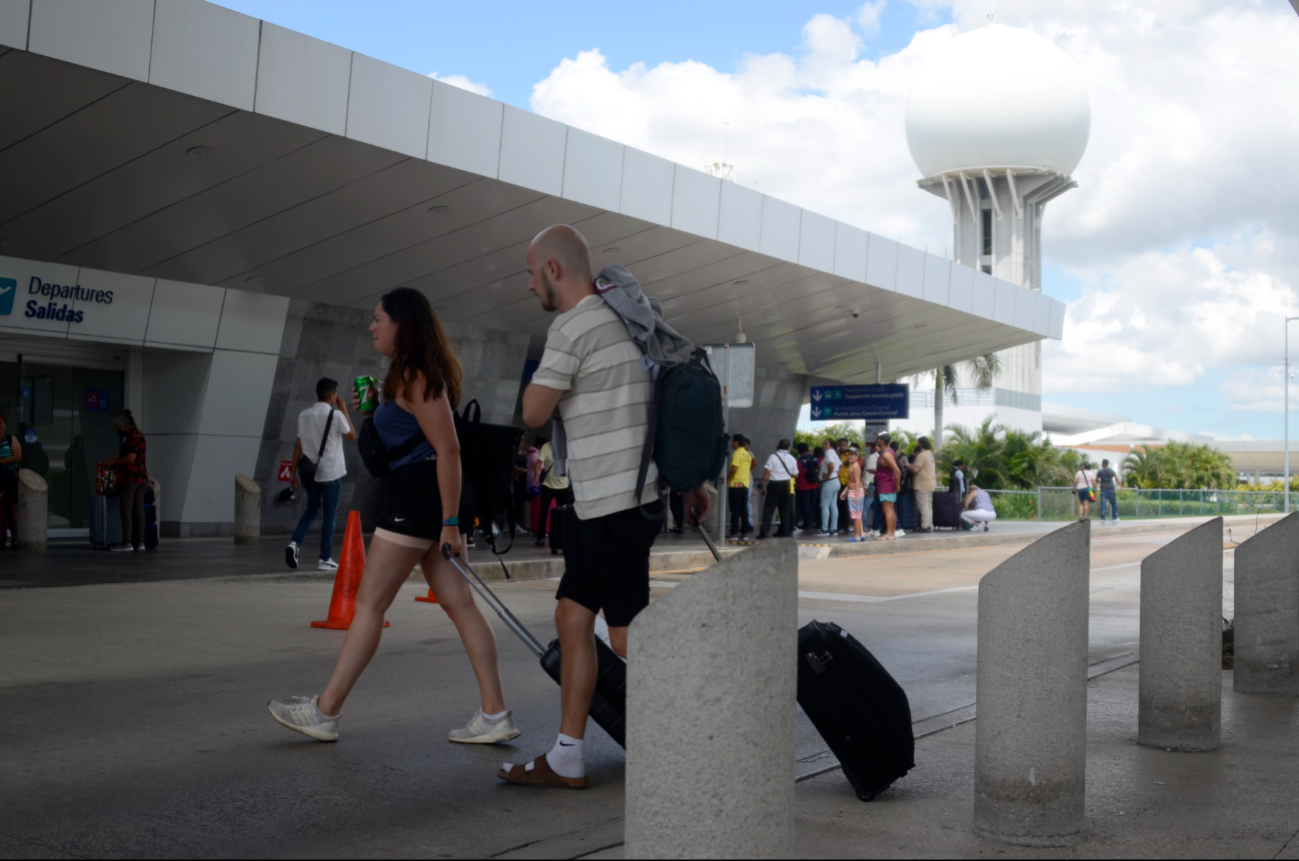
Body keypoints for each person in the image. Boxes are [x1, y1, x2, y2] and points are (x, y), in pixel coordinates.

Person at [503, 224, 709, 789]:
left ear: (553, 269)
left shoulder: (573, 326)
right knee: (573, 617)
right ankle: (568, 756)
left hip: (614, 504)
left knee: (628, 636)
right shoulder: (626, 314)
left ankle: (703, 739)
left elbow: (534, 411)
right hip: (611, 502)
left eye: (530, 272)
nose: (528, 286)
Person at [268, 287, 520, 748]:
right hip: (424, 499)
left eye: (379, 318)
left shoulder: (415, 374)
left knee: (368, 604)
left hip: (418, 500)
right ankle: (494, 713)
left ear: (401, 324)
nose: (372, 326)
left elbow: (449, 449)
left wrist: (449, 523)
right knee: (460, 606)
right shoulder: (408, 376)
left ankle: (324, 711)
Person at [285, 378, 356, 570]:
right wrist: (345, 410)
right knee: (329, 515)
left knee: (312, 510)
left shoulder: (304, 415)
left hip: (311, 474)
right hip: (332, 474)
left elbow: (298, 446)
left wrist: (292, 474)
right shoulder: (336, 415)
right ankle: (325, 558)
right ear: (332, 395)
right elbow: (352, 435)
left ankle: (295, 543)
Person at [102, 410, 148, 552]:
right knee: (139, 510)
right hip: (141, 477)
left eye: (119, 428)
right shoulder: (139, 435)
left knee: (126, 510)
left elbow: (130, 459)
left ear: (126, 426)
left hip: (131, 478)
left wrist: (114, 462)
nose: (119, 431)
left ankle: (127, 542)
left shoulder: (132, 437)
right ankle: (140, 542)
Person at [534, 439, 575, 547]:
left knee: (564, 514)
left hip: (563, 487)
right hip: (547, 485)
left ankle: (563, 538)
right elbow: (539, 462)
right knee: (544, 512)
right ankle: (541, 537)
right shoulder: (546, 447)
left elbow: (572, 466)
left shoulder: (568, 446)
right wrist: (536, 477)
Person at [757, 439, 798, 539]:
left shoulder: (773, 457)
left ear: (778, 446)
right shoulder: (792, 458)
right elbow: (796, 475)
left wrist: (762, 484)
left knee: (769, 508)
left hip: (774, 485)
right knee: (785, 509)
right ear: (788, 448)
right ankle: (785, 531)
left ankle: (764, 532)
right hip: (786, 485)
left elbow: (767, 472)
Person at [873, 434, 902, 541]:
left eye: (879, 439)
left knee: (887, 509)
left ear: (882, 441)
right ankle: (892, 533)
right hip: (886, 484)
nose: (877, 440)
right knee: (890, 509)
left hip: (886, 485)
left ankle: (889, 533)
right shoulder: (887, 453)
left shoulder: (886, 454)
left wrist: (898, 485)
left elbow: (897, 470)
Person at [726, 435, 754, 539]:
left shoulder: (737, 453)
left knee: (735, 510)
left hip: (736, 484)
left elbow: (734, 469)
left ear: (736, 442)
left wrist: (727, 479)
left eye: (733, 442)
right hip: (745, 485)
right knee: (744, 509)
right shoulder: (747, 454)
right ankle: (745, 532)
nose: (732, 444)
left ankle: (734, 532)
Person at [0, 412, 21, 550]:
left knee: (12, 509)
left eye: (0, 422)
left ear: (5, 424)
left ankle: (15, 538)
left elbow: (17, 456)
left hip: (10, 478)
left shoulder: (10, 439)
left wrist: (2, 461)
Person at [908, 436, 937, 533]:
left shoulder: (922, 455)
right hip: (930, 483)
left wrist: (907, 465)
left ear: (921, 444)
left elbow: (916, 469)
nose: (917, 445)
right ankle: (928, 524)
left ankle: (924, 526)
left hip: (922, 485)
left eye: (918, 443)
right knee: (928, 506)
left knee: (923, 506)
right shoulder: (930, 454)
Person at [839, 447, 866, 542]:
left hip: (855, 492)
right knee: (856, 514)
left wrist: (857, 495)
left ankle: (857, 536)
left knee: (856, 515)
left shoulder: (855, 466)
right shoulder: (852, 465)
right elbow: (850, 481)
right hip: (852, 491)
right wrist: (845, 491)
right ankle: (861, 534)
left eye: (852, 455)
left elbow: (858, 480)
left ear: (857, 456)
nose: (849, 456)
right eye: (849, 454)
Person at [794, 442, 820, 533]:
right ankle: (812, 521)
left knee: (805, 505)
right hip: (814, 485)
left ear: (799, 451)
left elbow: (795, 473)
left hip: (803, 486)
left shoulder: (800, 461)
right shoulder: (815, 458)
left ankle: (807, 522)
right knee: (813, 504)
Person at [817, 438, 841, 536]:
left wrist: (828, 475)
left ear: (831, 446)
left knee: (824, 506)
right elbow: (841, 466)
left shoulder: (828, 453)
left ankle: (824, 529)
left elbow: (831, 464)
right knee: (833, 506)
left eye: (826, 444)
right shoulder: (834, 453)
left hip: (829, 482)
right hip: (836, 481)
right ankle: (833, 529)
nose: (824, 445)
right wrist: (835, 474)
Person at [890, 440, 910, 537]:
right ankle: (895, 527)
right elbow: (906, 471)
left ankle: (897, 527)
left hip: (893, 485)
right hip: (899, 485)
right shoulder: (903, 458)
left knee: (891, 507)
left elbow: (897, 472)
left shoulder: (890, 458)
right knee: (895, 507)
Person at [1096, 459, 1120, 523]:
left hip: (1103, 489)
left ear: (1104, 463)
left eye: (1102, 463)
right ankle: (1115, 517)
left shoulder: (1100, 471)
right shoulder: (1111, 471)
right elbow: (1116, 478)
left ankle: (1103, 518)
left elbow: (1096, 480)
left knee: (1103, 504)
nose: (1101, 464)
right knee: (1113, 503)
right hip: (1111, 488)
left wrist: (1100, 481)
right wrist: (1121, 486)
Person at [836, 438, 852, 533]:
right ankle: (839, 525)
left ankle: (846, 525)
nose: (842, 446)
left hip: (846, 483)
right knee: (838, 504)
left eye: (844, 445)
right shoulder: (836, 455)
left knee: (845, 505)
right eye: (841, 445)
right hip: (837, 482)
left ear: (847, 445)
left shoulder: (850, 456)